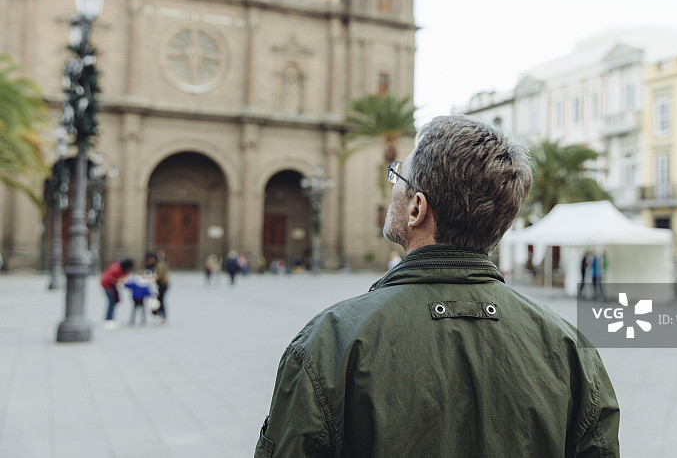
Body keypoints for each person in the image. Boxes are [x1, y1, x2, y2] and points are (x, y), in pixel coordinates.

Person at [254, 115, 619, 457]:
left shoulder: (332, 342)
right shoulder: (570, 349)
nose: (392, 187)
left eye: (397, 176)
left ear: (416, 209)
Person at [100, 258, 134, 329]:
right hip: (107, 285)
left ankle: (110, 319)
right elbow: (108, 278)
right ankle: (108, 319)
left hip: (112, 286)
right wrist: (116, 280)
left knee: (114, 301)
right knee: (111, 301)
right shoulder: (116, 268)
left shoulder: (121, 269)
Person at [145, 250, 170, 323]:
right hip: (157, 284)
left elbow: (159, 275)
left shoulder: (159, 265)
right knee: (157, 300)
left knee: (160, 300)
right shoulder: (152, 266)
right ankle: (159, 314)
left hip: (162, 284)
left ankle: (162, 316)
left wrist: (150, 277)